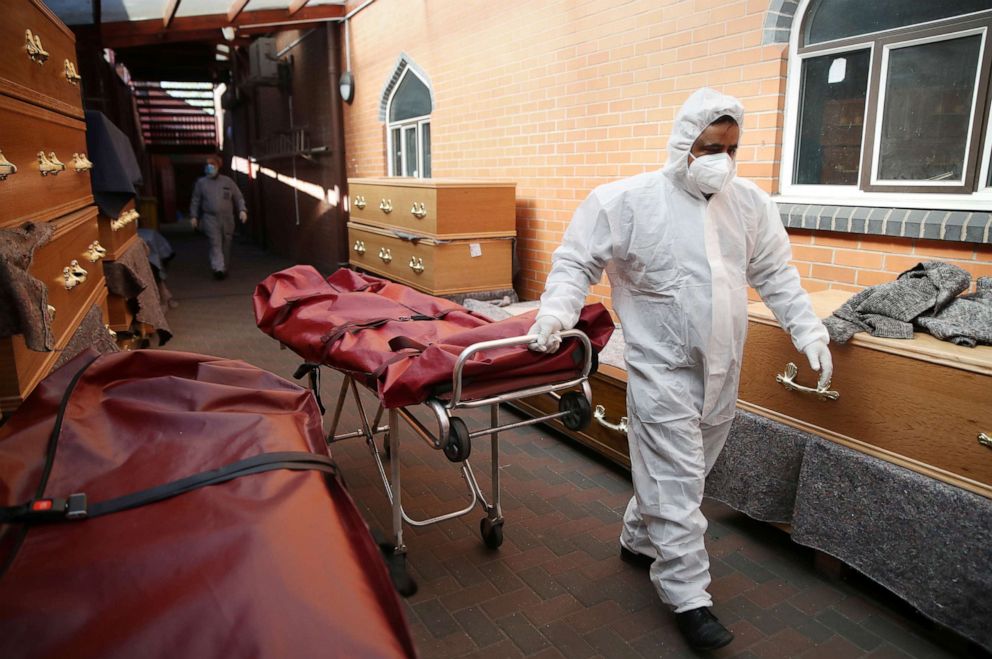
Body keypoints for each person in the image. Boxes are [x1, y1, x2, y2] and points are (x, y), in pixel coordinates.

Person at [527, 88, 833, 651]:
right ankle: (689, 597)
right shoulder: (624, 201)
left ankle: (637, 536)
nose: (721, 157)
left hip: (723, 373)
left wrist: (808, 330)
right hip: (660, 368)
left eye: (731, 147)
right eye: (710, 145)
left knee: (687, 474)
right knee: (678, 483)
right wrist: (555, 312)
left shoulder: (749, 205)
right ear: (682, 143)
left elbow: (777, 274)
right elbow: (576, 263)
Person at [189, 154, 247, 280]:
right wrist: (194, 216)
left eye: (213, 165)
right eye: (208, 165)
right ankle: (218, 268)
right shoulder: (201, 183)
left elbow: (238, 196)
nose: (210, 167)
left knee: (226, 242)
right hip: (210, 218)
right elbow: (196, 200)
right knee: (215, 243)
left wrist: (242, 210)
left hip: (227, 218)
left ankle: (224, 267)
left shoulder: (227, 182)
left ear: (218, 166)